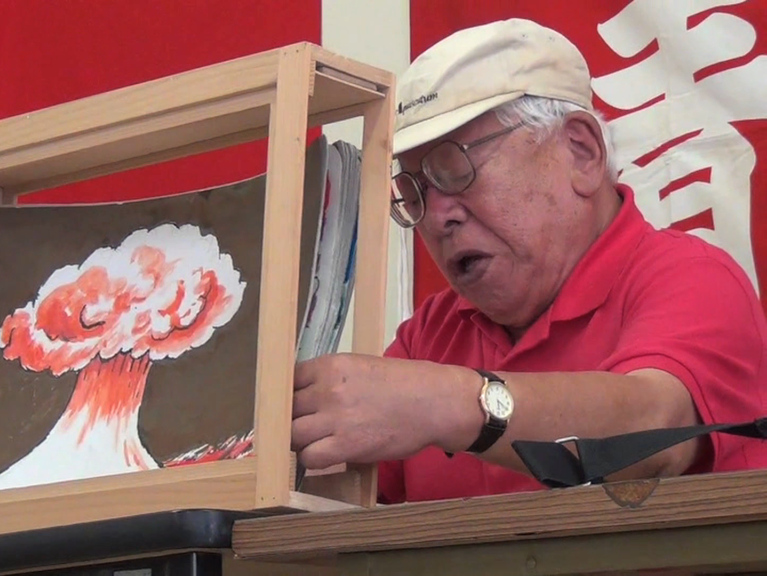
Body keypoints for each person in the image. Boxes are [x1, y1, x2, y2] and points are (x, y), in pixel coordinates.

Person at [289, 18, 767, 503]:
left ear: (581, 152)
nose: (435, 218)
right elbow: (332, 502)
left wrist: (450, 404)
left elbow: (656, 429)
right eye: (415, 193)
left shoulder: (692, 277)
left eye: (455, 170)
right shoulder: (433, 335)